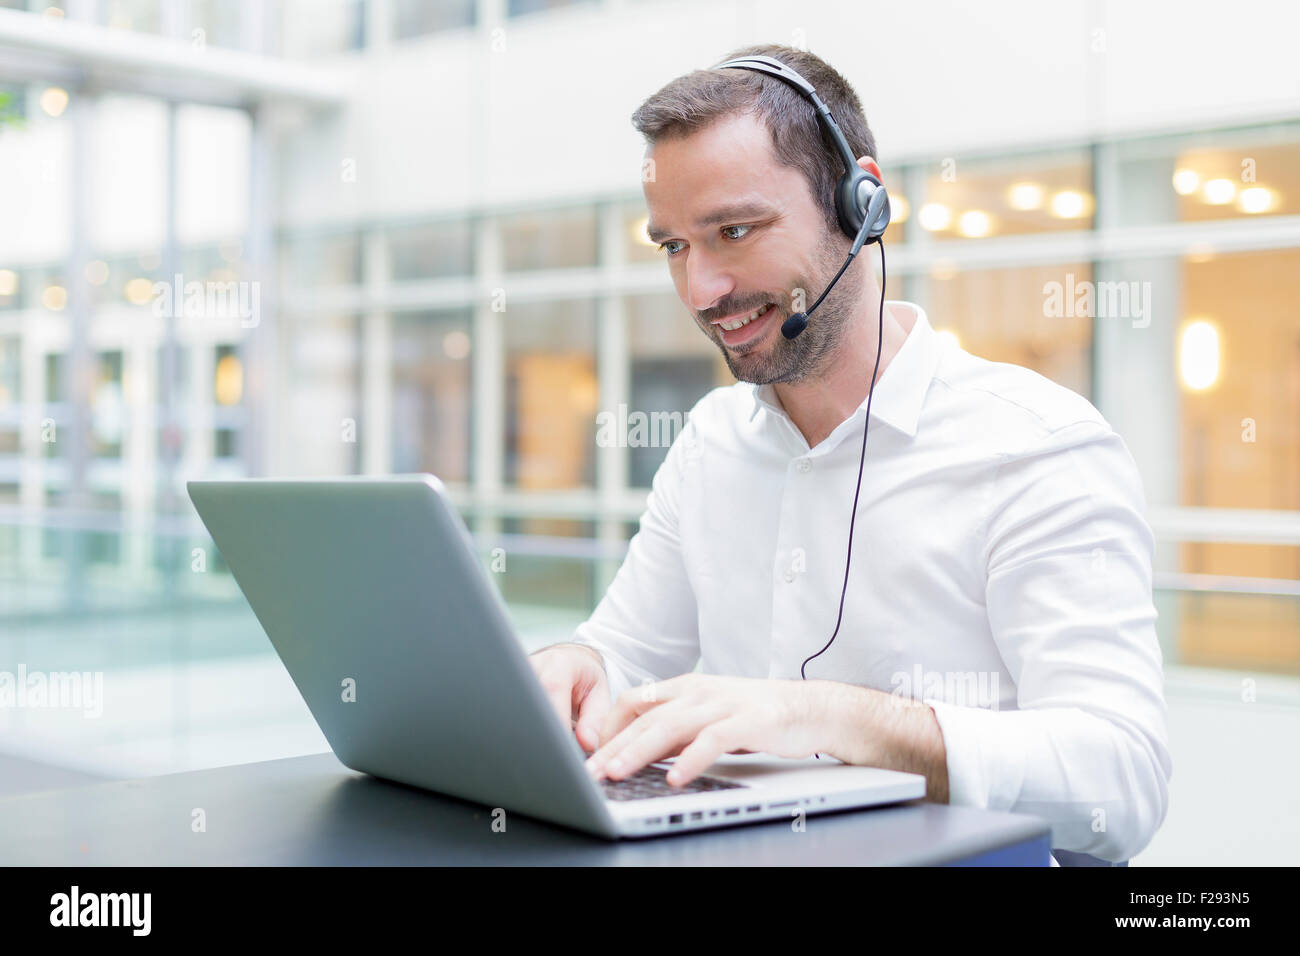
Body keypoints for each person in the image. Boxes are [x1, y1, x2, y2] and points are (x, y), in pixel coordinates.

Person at [528, 43, 1171, 863]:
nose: (700, 291)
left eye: (733, 230)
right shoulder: (711, 442)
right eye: (674, 246)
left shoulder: (1038, 448)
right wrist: (577, 665)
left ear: (860, 201)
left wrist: (832, 717)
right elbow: (624, 654)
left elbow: (1124, 779)